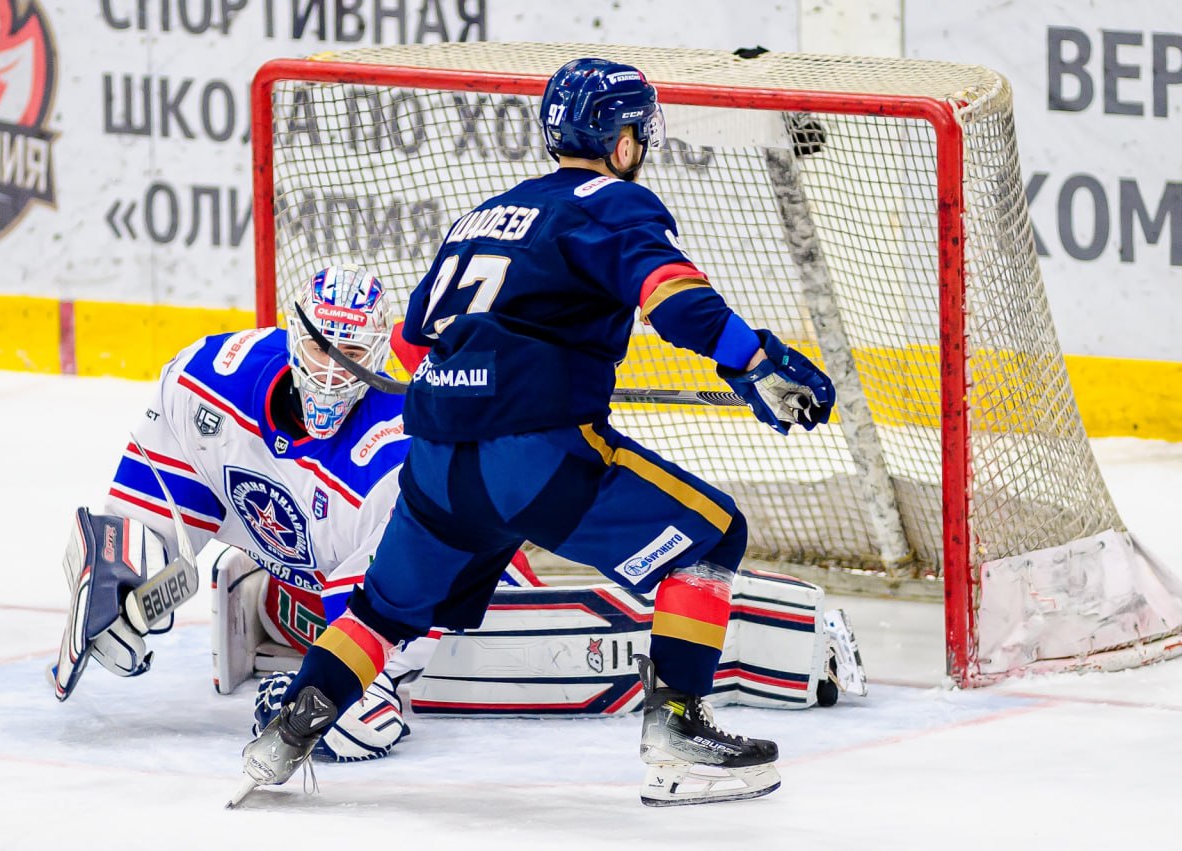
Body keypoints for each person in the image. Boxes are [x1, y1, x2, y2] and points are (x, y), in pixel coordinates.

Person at [236, 57, 835, 808]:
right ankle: (678, 730)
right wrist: (753, 361)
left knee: (382, 613)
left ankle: (285, 735)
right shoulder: (614, 204)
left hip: (435, 466)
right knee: (715, 534)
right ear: (622, 140)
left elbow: (411, 349)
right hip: (531, 454)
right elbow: (674, 300)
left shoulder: (480, 216)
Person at [50, 264, 434, 761]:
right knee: (125, 550)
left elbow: (383, 626)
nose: (332, 369)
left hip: (432, 610)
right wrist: (118, 576)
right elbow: (143, 510)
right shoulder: (210, 379)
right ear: (295, 337)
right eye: (321, 346)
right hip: (291, 586)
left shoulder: (397, 455)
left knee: (351, 720)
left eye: (353, 352)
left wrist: (335, 691)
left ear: (378, 354)